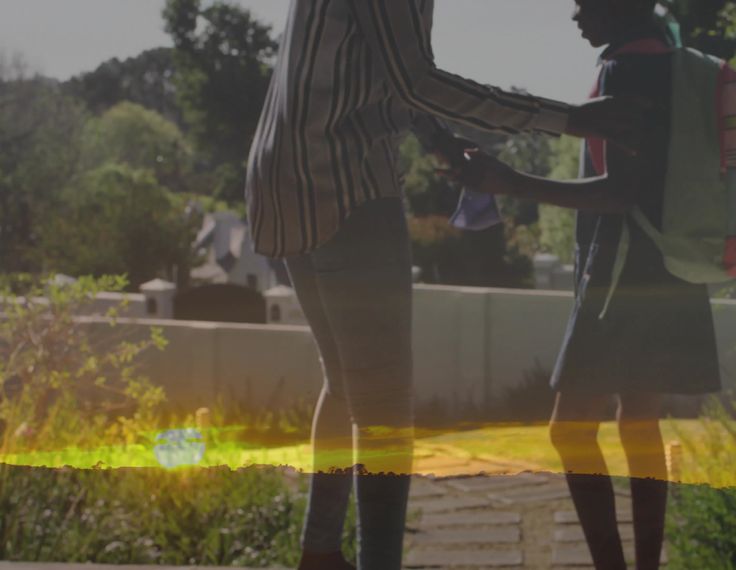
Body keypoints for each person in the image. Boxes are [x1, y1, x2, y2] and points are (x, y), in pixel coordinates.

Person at [244, 1, 650, 569]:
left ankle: (320, 553)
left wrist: (434, 136)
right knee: (384, 409)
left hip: (282, 178)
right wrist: (571, 119)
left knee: (345, 383)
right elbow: (415, 80)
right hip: (347, 185)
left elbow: (377, 71)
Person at [444, 1, 721, 568]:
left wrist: (510, 181)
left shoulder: (626, 69)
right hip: (668, 267)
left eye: (583, 2)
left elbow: (620, 192)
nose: (574, 15)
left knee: (569, 431)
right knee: (639, 424)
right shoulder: (668, 62)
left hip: (621, 274)